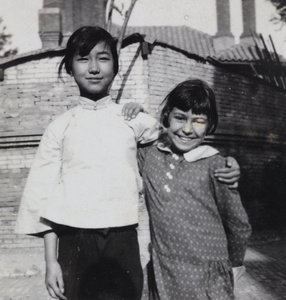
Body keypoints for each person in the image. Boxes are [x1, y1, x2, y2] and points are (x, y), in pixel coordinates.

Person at [15, 26, 240, 300]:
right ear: (70, 68)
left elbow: (185, 143)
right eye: (83, 59)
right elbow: (42, 198)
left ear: (116, 67)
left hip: (122, 241)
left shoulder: (134, 121)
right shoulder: (59, 128)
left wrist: (227, 162)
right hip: (74, 242)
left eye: (103, 58)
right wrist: (51, 262)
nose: (94, 68)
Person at [139, 79, 252, 300]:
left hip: (205, 277)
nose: (187, 129)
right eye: (180, 118)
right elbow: (131, 136)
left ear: (209, 126)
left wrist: (236, 263)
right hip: (164, 271)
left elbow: (238, 223)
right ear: (166, 117)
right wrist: (139, 112)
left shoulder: (215, 165)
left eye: (198, 121)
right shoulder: (152, 156)